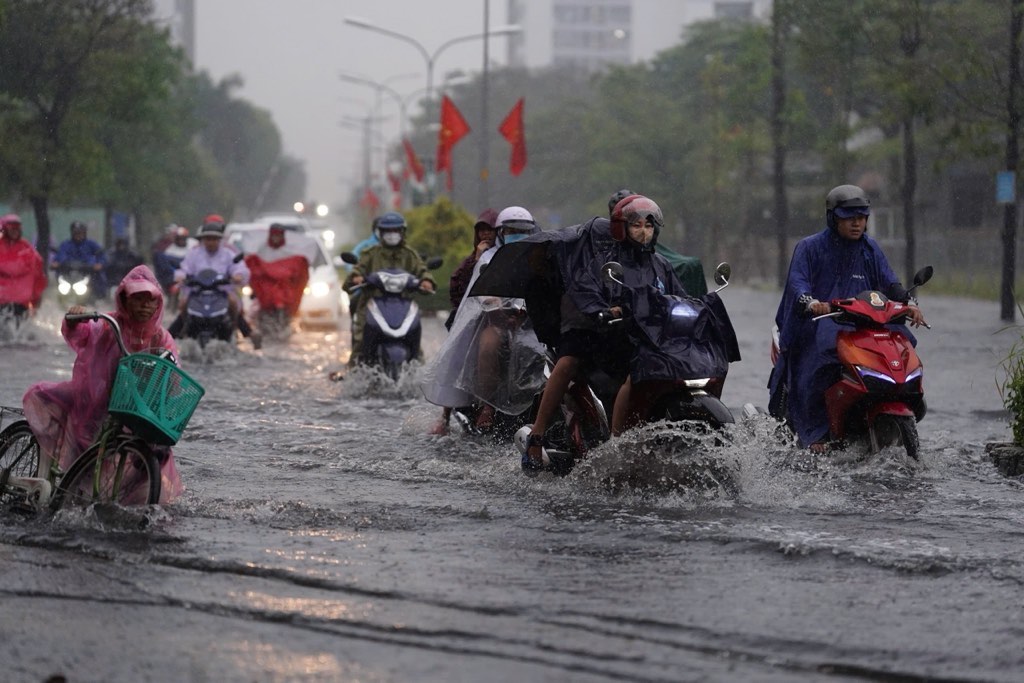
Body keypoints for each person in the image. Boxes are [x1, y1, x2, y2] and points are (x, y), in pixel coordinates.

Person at [523, 194, 689, 470]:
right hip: (599, 332)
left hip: (644, 336)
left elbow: (679, 296)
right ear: (621, 228)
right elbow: (584, 289)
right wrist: (602, 310)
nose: (644, 231)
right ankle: (540, 435)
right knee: (569, 362)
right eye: (637, 225)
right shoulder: (602, 260)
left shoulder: (661, 265)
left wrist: (695, 309)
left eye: (649, 226)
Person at [768, 184, 927, 453]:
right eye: (849, 217)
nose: (857, 223)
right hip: (823, 320)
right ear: (833, 218)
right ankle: (816, 431)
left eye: (862, 217)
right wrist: (811, 302)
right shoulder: (809, 247)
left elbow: (890, 282)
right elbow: (798, 284)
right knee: (820, 357)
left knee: (902, 345)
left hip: (866, 321)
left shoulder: (870, 248)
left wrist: (909, 303)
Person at [21, 265, 185, 503]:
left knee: (152, 451)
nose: (145, 305)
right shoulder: (109, 324)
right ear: (124, 300)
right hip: (92, 400)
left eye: (151, 300)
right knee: (71, 427)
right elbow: (83, 333)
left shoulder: (161, 337)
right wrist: (74, 320)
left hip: (132, 408)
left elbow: (172, 371)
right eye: (138, 299)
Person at [422, 206, 546, 434]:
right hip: (494, 322)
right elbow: (477, 291)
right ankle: (488, 404)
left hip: (530, 323)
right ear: (501, 232)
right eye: (510, 230)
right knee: (489, 346)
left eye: (522, 230)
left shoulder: (538, 255)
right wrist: (494, 306)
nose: (516, 234)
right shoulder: (488, 258)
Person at [342, 211, 435, 366]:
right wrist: (356, 277)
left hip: (403, 305)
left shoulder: (410, 255)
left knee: (416, 346)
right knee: (360, 341)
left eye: (395, 231)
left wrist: (426, 281)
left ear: (402, 232)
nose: (392, 235)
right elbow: (357, 270)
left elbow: (422, 270)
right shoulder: (370, 254)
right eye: (388, 231)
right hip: (371, 305)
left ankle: (419, 377)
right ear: (381, 232)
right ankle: (353, 375)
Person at [170, 214, 259, 348]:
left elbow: (238, 268)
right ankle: (174, 333)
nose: (211, 242)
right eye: (208, 239)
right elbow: (184, 268)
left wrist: (238, 275)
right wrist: (181, 276)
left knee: (233, 303)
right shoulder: (194, 253)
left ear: (219, 240)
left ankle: (244, 330)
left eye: (214, 239)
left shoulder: (228, 253)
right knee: (183, 303)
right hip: (197, 291)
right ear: (203, 239)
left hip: (221, 292)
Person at [243, 223, 311, 329]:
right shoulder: (262, 250)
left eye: (278, 236)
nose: (276, 238)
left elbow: (298, 270)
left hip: (284, 290)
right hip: (265, 291)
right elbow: (254, 268)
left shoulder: (290, 252)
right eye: (274, 236)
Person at [445, 208, 498, 330]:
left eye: (489, 230)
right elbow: (457, 287)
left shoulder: (506, 256)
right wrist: (477, 260)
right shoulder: (470, 260)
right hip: (477, 317)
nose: (485, 234)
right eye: (482, 230)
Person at [0, 213, 47, 323]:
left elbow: (37, 273)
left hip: (20, 301)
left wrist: (36, 297)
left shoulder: (26, 248)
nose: (14, 231)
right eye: (11, 228)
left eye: (17, 228)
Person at [51, 220, 108, 299]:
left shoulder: (91, 244)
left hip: (87, 273)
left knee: (100, 280)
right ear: (72, 233)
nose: (78, 235)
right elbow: (59, 256)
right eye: (76, 233)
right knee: (55, 282)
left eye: (80, 233)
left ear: (84, 233)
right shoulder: (65, 244)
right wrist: (56, 263)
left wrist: (100, 264)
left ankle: (99, 298)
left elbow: (101, 255)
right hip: (68, 273)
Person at [153, 225, 196, 293]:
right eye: (179, 238)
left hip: (191, 272)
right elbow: (169, 268)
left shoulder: (193, 243)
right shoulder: (170, 250)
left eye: (183, 238)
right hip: (178, 273)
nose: (181, 240)